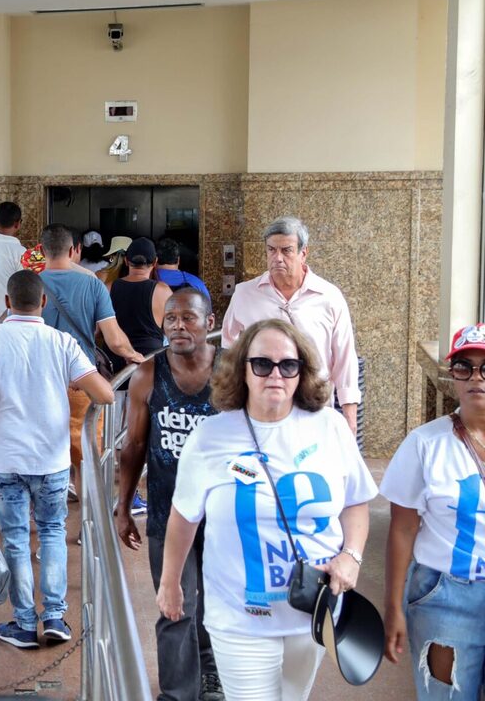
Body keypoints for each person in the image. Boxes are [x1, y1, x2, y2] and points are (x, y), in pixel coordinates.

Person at [157, 319, 376, 699]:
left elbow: (356, 500)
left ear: (301, 371)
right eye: (262, 364)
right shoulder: (210, 437)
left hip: (312, 611)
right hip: (239, 618)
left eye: (288, 365)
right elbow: (183, 516)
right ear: (242, 368)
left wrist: (352, 557)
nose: (275, 374)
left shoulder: (331, 427)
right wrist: (170, 582)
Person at [0, 269, 114, 649]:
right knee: (52, 532)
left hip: (5, 458)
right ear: (43, 302)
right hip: (52, 460)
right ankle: (56, 617)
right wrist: (72, 380)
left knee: (14, 538)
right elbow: (106, 395)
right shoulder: (62, 342)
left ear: (8, 303)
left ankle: (25, 623)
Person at [115, 288, 223, 701]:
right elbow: (134, 446)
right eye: (172, 319)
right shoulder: (148, 374)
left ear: (208, 323)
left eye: (189, 318)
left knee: (216, 606)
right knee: (174, 605)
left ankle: (212, 676)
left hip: (224, 515)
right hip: (167, 511)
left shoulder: (232, 373)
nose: (179, 326)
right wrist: (124, 507)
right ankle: (177, 693)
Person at [381, 323, 485, 700]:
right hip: (445, 599)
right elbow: (403, 530)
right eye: (464, 367)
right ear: (452, 376)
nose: (476, 377)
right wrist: (392, 606)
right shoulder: (425, 444)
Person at [222, 216, 361, 435]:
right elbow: (229, 350)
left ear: (303, 253)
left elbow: (345, 359)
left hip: (313, 408)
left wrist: (349, 416)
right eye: (271, 250)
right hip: (260, 410)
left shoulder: (329, 297)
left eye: (286, 250)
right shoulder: (244, 294)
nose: (277, 258)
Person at [38, 224, 143, 498]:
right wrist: (132, 355)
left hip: (38, 382)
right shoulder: (92, 284)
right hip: (80, 381)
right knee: (85, 456)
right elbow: (114, 340)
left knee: (42, 454)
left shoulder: (28, 283)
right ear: (75, 250)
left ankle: (43, 521)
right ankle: (87, 529)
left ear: (41, 250)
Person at [107, 236, 172, 359]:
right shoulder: (162, 291)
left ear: (126, 261)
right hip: (150, 361)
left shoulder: (108, 288)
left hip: (114, 360)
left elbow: (98, 330)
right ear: (154, 262)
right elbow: (171, 329)